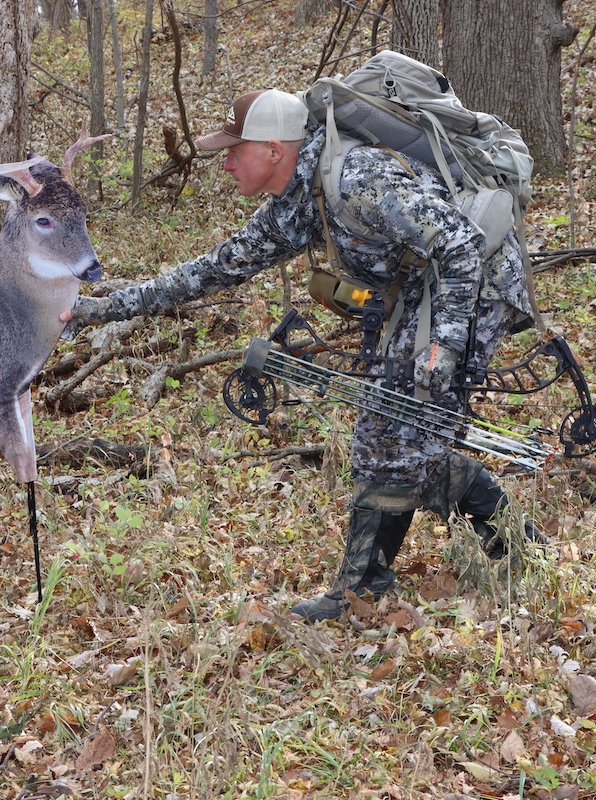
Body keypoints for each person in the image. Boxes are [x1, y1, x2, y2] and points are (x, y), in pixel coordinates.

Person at [62, 88, 544, 622]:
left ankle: (377, 584)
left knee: (392, 436)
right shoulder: (295, 202)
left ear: (273, 149)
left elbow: (461, 244)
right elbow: (211, 270)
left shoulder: (357, 179)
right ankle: (477, 551)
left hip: (475, 289)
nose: (225, 163)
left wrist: (444, 345)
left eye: (233, 150)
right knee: (394, 436)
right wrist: (98, 309)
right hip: (425, 292)